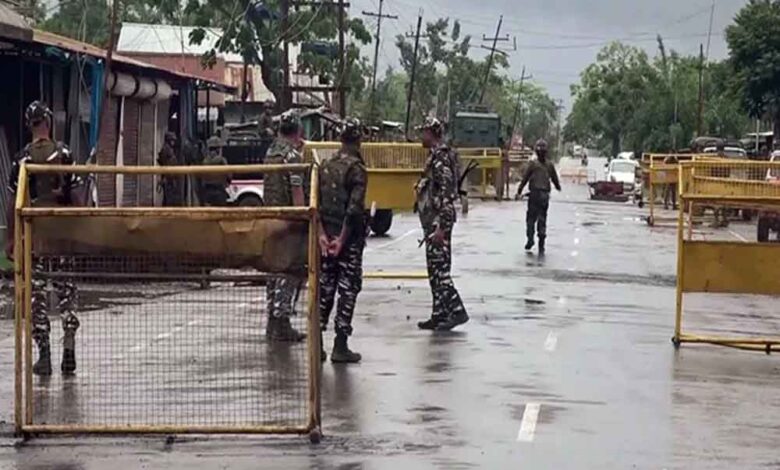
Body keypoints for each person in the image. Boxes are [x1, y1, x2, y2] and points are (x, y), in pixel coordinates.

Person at [5, 101, 80, 376]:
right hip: (62, 236)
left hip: (35, 237)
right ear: (49, 122)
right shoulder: (65, 153)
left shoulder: (22, 158)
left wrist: (11, 239)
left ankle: (44, 354)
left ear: (29, 125)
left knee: (35, 297)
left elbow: (13, 199)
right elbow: (78, 195)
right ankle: (69, 344)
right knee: (67, 292)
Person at [318, 118, 367, 363]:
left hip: (326, 240)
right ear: (358, 139)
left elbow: (315, 204)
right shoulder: (356, 169)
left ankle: (316, 345)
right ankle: (340, 344)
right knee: (348, 290)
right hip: (348, 242)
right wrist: (343, 239)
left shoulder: (326, 165)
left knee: (325, 289)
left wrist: (322, 236)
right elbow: (354, 208)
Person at [415, 117, 469, 332]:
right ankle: (439, 314)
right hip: (431, 221)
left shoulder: (441, 159)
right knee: (433, 270)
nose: (421, 136)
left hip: (439, 222)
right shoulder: (434, 157)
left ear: (432, 133)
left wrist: (441, 228)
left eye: (424, 132)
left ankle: (457, 311)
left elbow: (446, 196)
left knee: (440, 271)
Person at [263, 114, 307, 342]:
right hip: (289, 222)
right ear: (298, 131)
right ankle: (282, 323)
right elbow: (297, 193)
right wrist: (302, 218)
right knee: (289, 272)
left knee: (273, 272)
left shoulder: (271, 154)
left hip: (270, 219)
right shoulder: (292, 157)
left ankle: (272, 320)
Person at [516, 139, 562, 254]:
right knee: (542, 218)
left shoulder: (533, 164)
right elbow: (555, 180)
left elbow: (525, 178)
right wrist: (558, 187)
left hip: (534, 195)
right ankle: (541, 241)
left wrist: (519, 190)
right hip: (544, 196)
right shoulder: (549, 165)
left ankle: (530, 239)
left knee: (531, 219)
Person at [199, 136, 230, 206]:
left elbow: (202, 178)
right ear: (218, 149)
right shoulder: (222, 161)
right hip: (219, 191)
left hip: (207, 193)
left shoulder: (204, 162)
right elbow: (229, 176)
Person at [158, 132, 181, 206]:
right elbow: (164, 163)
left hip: (171, 176)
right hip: (168, 177)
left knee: (169, 197)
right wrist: (164, 176)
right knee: (168, 198)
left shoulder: (169, 149)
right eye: (172, 140)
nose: (173, 142)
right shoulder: (165, 149)